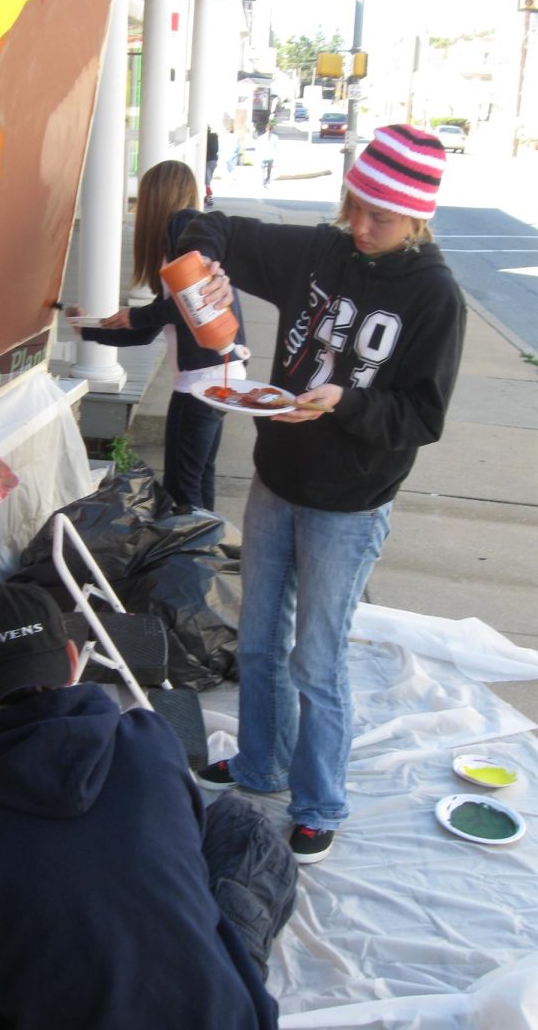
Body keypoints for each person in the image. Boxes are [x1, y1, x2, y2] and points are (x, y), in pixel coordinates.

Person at [189, 125, 466, 864]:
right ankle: (259, 765)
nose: (360, 226)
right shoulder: (321, 251)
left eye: (379, 216)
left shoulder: (435, 296)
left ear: (417, 217)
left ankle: (318, 802)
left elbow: (422, 418)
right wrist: (202, 264)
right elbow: (211, 226)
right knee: (256, 640)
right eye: (354, 207)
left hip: (351, 504)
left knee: (317, 657)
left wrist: (342, 400)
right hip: (278, 481)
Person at [0, 583, 280, 1030]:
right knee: (240, 824)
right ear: (73, 661)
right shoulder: (150, 739)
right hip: (218, 1017)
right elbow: (180, 851)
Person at [72, 159, 249, 512]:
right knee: (198, 478)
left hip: (202, 382)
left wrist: (133, 314)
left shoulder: (182, 226)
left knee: (183, 488)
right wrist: (89, 330)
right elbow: (147, 329)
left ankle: (192, 558)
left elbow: (187, 304)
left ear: (155, 197)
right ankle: (206, 553)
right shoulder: (180, 244)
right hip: (224, 372)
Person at [257, 121, 277, 189]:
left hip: (270, 157)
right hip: (264, 156)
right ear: (266, 129)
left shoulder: (275, 137)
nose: (269, 131)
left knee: (268, 171)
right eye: (268, 129)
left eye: (270, 129)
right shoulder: (261, 138)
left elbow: (276, 147)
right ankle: (264, 183)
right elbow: (259, 147)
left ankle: (267, 181)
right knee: (264, 171)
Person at [205, 125, 219, 208]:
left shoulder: (205, 137)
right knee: (208, 180)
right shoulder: (215, 137)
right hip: (214, 160)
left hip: (207, 160)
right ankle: (208, 198)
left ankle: (210, 198)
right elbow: (216, 149)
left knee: (207, 182)